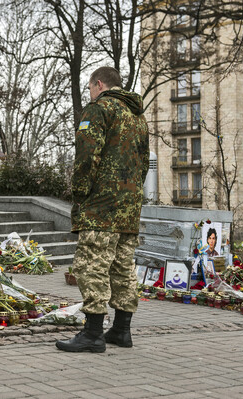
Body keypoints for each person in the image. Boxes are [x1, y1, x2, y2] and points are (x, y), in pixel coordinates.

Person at [56, 67, 149, 353]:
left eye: (89, 88)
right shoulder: (138, 116)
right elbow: (144, 163)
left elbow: (87, 156)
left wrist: (81, 192)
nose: (90, 93)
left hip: (101, 206)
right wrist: (130, 194)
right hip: (129, 206)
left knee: (91, 264)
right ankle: (121, 330)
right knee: (123, 267)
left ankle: (93, 334)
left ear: (99, 84)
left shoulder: (99, 109)